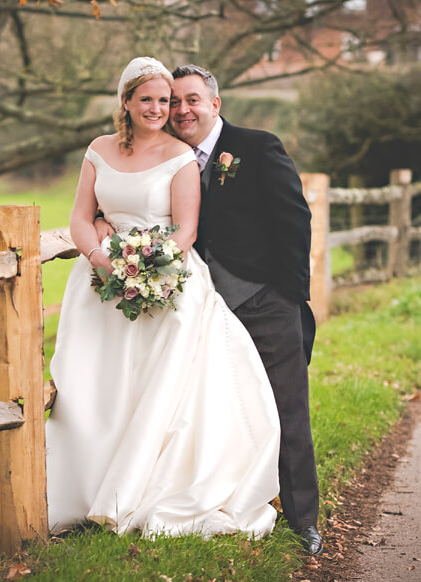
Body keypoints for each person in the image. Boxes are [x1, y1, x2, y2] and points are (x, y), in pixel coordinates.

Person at [45, 57, 282, 538]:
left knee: (156, 388)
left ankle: (140, 490)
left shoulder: (179, 156)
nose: (158, 108)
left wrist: (147, 270)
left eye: (165, 100)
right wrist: (100, 257)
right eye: (147, 99)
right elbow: (79, 216)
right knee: (96, 385)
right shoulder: (98, 149)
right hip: (99, 283)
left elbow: (186, 229)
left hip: (165, 279)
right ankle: (84, 492)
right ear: (126, 102)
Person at [96, 64, 323, 555]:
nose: (181, 110)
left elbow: (295, 220)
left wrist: (288, 297)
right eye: (173, 102)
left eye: (191, 100)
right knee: (211, 412)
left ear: (215, 104)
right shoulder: (168, 154)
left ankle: (304, 519)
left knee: (287, 410)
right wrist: (101, 222)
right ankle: (232, 494)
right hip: (194, 306)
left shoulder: (257, 146)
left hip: (263, 303)